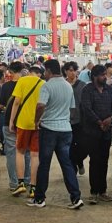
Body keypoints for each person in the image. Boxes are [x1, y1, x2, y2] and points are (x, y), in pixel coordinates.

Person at [28, 59, 83, 209]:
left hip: (49, 129)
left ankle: (39, 198)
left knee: (44, 164)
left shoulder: (47, 86)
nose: (44, 74)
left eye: (45, 71)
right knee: (67, 164)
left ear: (48, 71)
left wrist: (36, 120)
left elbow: (40, 105)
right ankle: (76, 197)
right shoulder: (68, 86)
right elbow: (71, 107)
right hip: (65, 130)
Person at [79, 65, 112, 203]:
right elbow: (86, 109)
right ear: (94, 76)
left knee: (104, 161)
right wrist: (99, 122)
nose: (105, 77)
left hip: (106, 132)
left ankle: (103, 191)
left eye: (105, 74)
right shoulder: (87, 90)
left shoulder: (110, 90)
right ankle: (94, 192)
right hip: (92, 132)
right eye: (102, 75)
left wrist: (110, 119)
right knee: (94, 161)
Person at [8, 61, 44, 197]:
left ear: (28, 72)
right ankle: (33, 187)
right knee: (35, 155)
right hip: (37, 123)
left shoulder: (22, 81)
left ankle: (21, 183)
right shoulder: (43, 83)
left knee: (20, 152)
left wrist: (11, 121)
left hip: (23, 123)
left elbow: (16, 102)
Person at [0, 63, 31, 190]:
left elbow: (2, 103)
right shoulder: (28, 85)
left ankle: (14, 183)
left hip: (9, 123)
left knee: (12, 153)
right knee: (26, 152)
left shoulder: (6, 86)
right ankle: (27, 180)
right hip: (25, 122)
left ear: (10, 71)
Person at [65, 61, 89, 175]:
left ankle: (79, 161)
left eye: (74, 70)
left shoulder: (83, 85)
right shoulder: (63, 85)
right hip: (66, 121)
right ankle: (73, 168)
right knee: (69, 146)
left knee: (83, 146)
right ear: (65, 71)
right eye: (70, 70)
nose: (73, 73)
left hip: (80, 120)